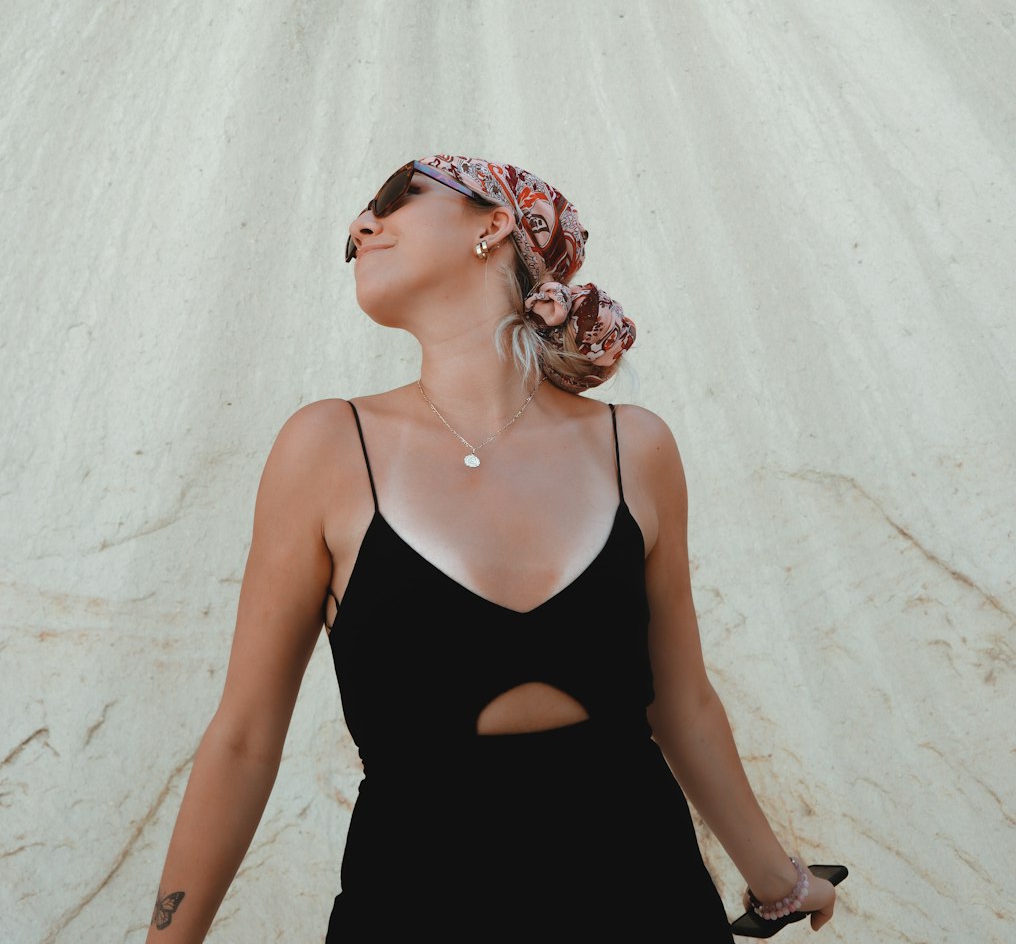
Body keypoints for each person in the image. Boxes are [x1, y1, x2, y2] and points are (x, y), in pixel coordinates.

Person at [143, 154, 841, 942]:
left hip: (647, 900)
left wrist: (781, 884)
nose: (360, 224)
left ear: (495, 223)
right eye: (360, 218)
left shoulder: (634, 446)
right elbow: (243, 735)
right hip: (414, 907)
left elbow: (684, 706)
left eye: (395, 200)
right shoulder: (327, 447)